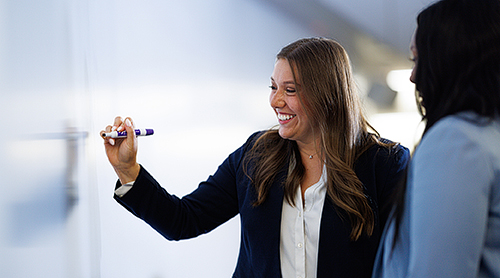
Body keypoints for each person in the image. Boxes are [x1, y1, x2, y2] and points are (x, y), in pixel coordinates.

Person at [101, 37, 409, 278]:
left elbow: (406, 259)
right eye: (274, 87)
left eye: (290, 90)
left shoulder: (383, 164)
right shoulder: (256, 156)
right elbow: (183, 220)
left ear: (327, 95)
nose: (275, 101)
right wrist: (127, 169)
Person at [372, 0, 500, 277]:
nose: (413, 77)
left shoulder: (455, 140)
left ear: (449, 60)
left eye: (417, 60)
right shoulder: (489, 134)